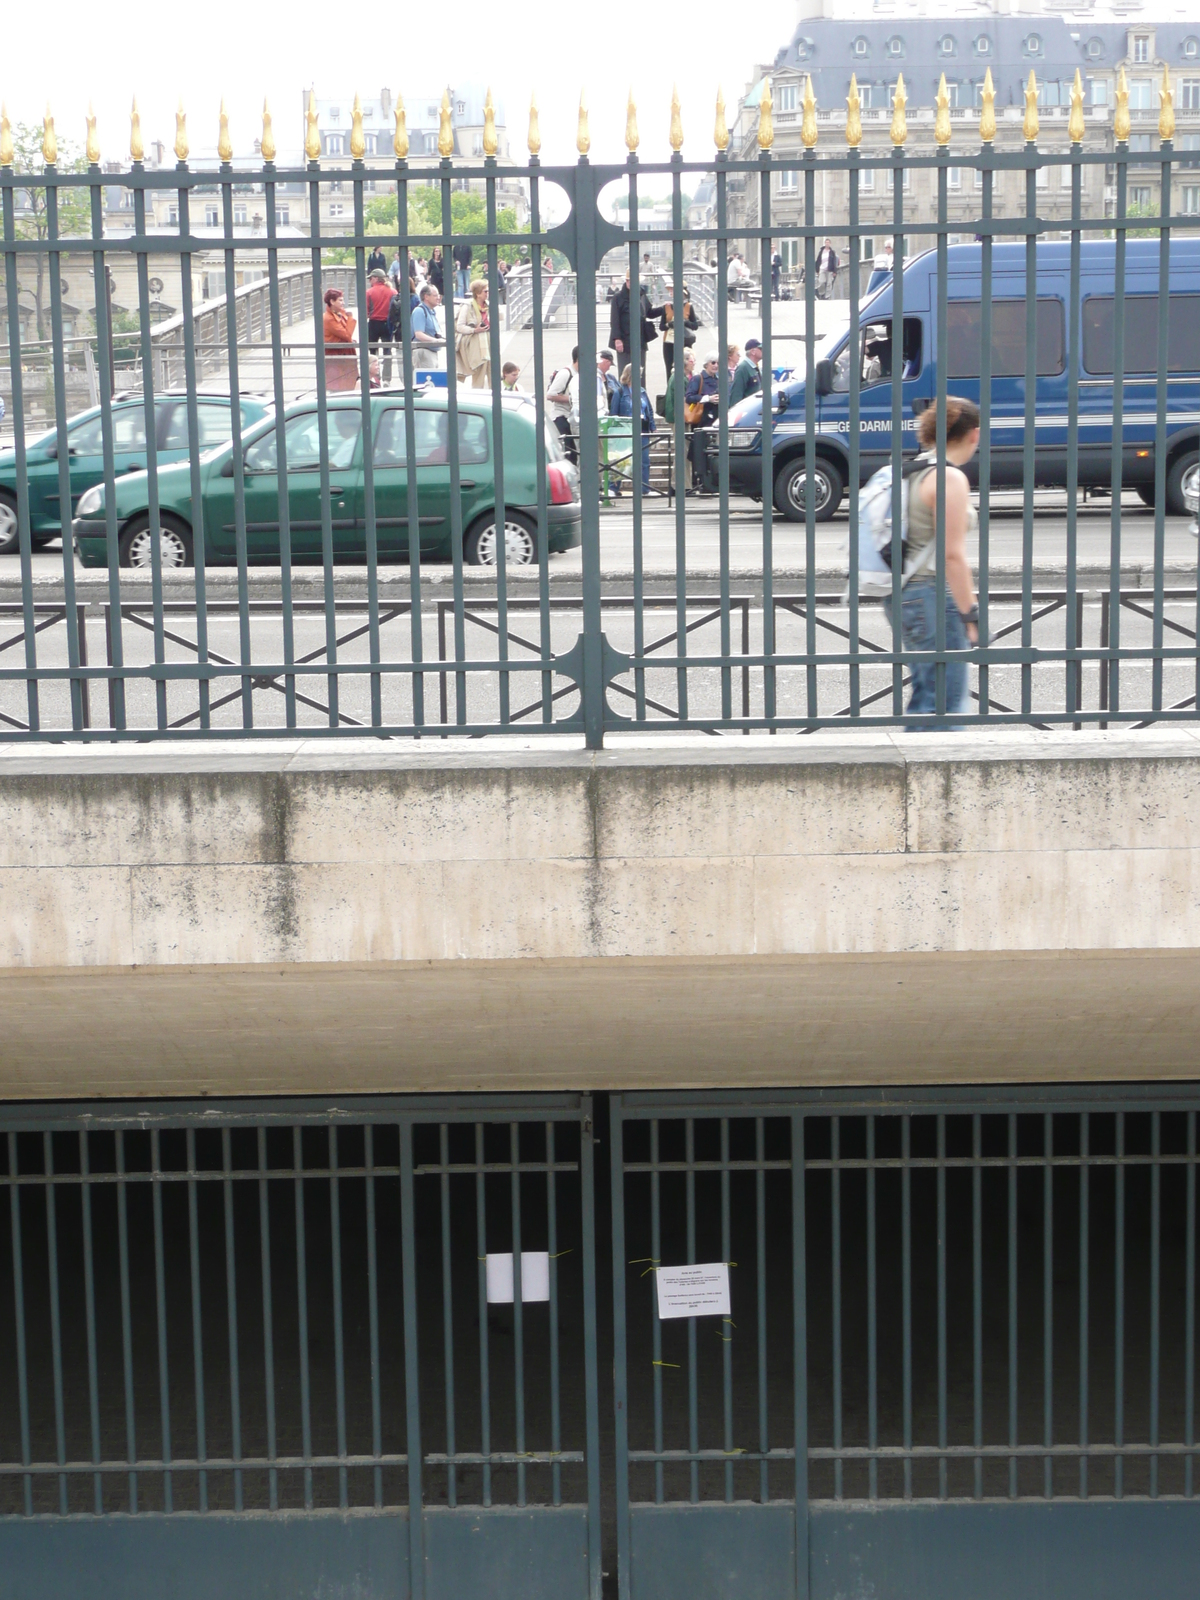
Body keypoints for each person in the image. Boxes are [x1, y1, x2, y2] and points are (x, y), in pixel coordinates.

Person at [883, 395, 981, 729]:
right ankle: (933, 778)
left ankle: (917, 774)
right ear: (974, 434)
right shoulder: (949, 478)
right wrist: (971, 614)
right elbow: (952, 555)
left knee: (929, 697)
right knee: (944, 706)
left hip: (903, 594)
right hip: (931, 595)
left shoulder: (913, 469)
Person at [612, 364, 656, 491]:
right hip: (626, 429)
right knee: (620, 460)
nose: (640, 377)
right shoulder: (619, 392)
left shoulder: (642, 391)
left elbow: (649, 409)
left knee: (644, 460)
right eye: (638, 374)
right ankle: (613, 488)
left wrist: (652, 425)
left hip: (642, 428)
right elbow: (614, 413)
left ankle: (644, 488)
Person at [608, 273, 660, 376]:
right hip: (624, 340)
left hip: (640, 339)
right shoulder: (618, 297)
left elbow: (649, 312)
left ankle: (640, 392)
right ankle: (626, 392)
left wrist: (664, 309)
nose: (629, 283)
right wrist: (617, 339)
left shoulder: (641, 295)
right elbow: (614, 320)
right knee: (625, 372)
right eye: (628, 280)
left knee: (640, 372)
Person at [455, 279, 491, 388]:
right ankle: (477, 395)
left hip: (488, 342)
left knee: (492, 371)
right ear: (478, 293)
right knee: (478, 373)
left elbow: (499, 318)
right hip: (474, 345)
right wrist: (474, 330)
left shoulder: (489, 305)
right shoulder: (467, 306)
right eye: (485, 291)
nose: (488, 293)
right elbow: (459, 326)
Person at [658, 292, 699, 386]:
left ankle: (687, 388)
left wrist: (684, 322)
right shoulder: (666, 307)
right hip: (669, 342)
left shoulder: (688, 306)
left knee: (686, 366)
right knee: (669, 368)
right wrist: (669, 324)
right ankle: (671, 389)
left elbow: (695, 325)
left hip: (685, 341)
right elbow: (661, 326)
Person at [322, 286, 358, 393]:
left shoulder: (338, 314)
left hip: (342, 355)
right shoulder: (329, 318)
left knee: (345, 384)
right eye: (340, 300)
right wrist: (350, 318)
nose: (343, 302)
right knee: (339, 385)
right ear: (332, 301)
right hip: (337, 356)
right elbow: (346, 335)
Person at [366, 268, 394, 384]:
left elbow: (366, 311)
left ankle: (376, 377)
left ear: (376, 278)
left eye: (371, 278)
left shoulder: (369, 292)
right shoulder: (392, 292)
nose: (369, 281)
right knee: (387, 351)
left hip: (374, 323)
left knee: (372, 352)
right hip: (388, 324)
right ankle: (387, 379)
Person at [547, 352, 576, 461]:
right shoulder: (566, 373)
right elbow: (550, 395)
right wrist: (572, 399)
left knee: (574, 454)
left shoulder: (581, 373)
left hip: (572, 418)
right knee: (566, 454)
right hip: (561, 417)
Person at [409, 283, 443, 371]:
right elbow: (419, 334)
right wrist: (435, 341)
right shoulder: (419, 311)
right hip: (424, 351)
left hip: (432, 352)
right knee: (426, 382)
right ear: (426, 297)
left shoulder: (431, 312)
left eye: (438, 295)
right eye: (435, 295)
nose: (438, 298)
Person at [728, 338, 763, 408]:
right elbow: (736, 394)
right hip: (747, 411)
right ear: (753, 352)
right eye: (761, 349)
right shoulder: (743, 368)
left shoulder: (755, 367)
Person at [664, 350, 695, 428]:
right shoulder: (678, 378)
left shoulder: (683, 376)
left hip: (682, 415)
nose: (694, 363)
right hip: (678, 416)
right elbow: (681, 398)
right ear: (685, 362)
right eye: (691, 361)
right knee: (681, 439)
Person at [598, 349, 621, 415]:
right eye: (609, 364)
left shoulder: (611, 378)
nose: (609, 368)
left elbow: (620, 392)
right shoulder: (594, 378)